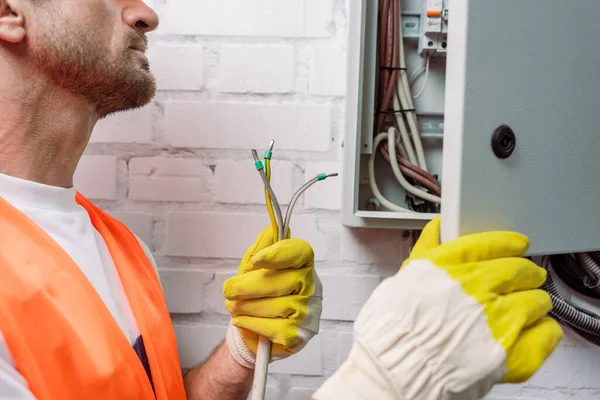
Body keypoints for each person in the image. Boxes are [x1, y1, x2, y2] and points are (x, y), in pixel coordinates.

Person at [0, 1, 563, 399]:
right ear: (9, 11)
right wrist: (388, 381)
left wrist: (241, 353)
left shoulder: (115, 244)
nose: (146, 13)